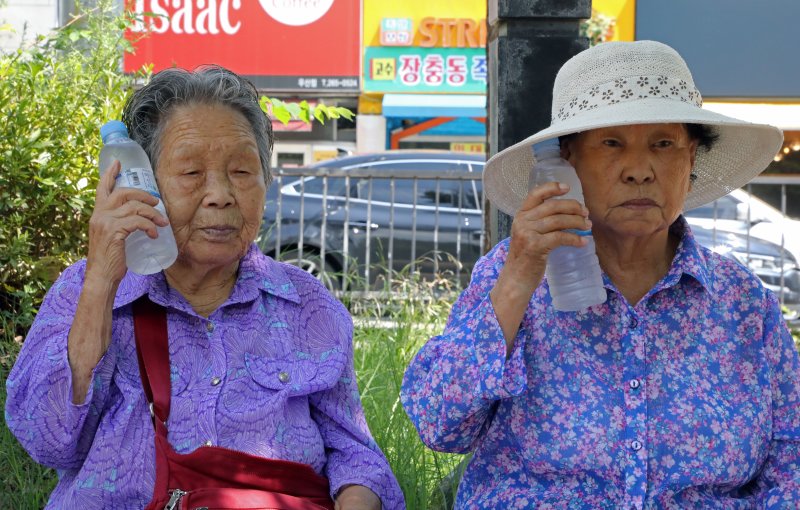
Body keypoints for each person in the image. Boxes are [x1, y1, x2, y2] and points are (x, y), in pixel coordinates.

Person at [401, 40, 800, 508]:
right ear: (568, 162)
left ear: (691, 157)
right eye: (612, 143)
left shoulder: (741, 301)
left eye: (663, 144)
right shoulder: (512, 275)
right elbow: (439, 424)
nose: (639, 170)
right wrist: (518, 276)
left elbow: (790, 457)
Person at [5, 65, 404, 510]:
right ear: (143, 183)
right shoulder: (86, 289)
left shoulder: (307, 306)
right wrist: (101, 283)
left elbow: (356, 456)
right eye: (192, 173)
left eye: (241, 171)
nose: (220, 194)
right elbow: (47, 442)